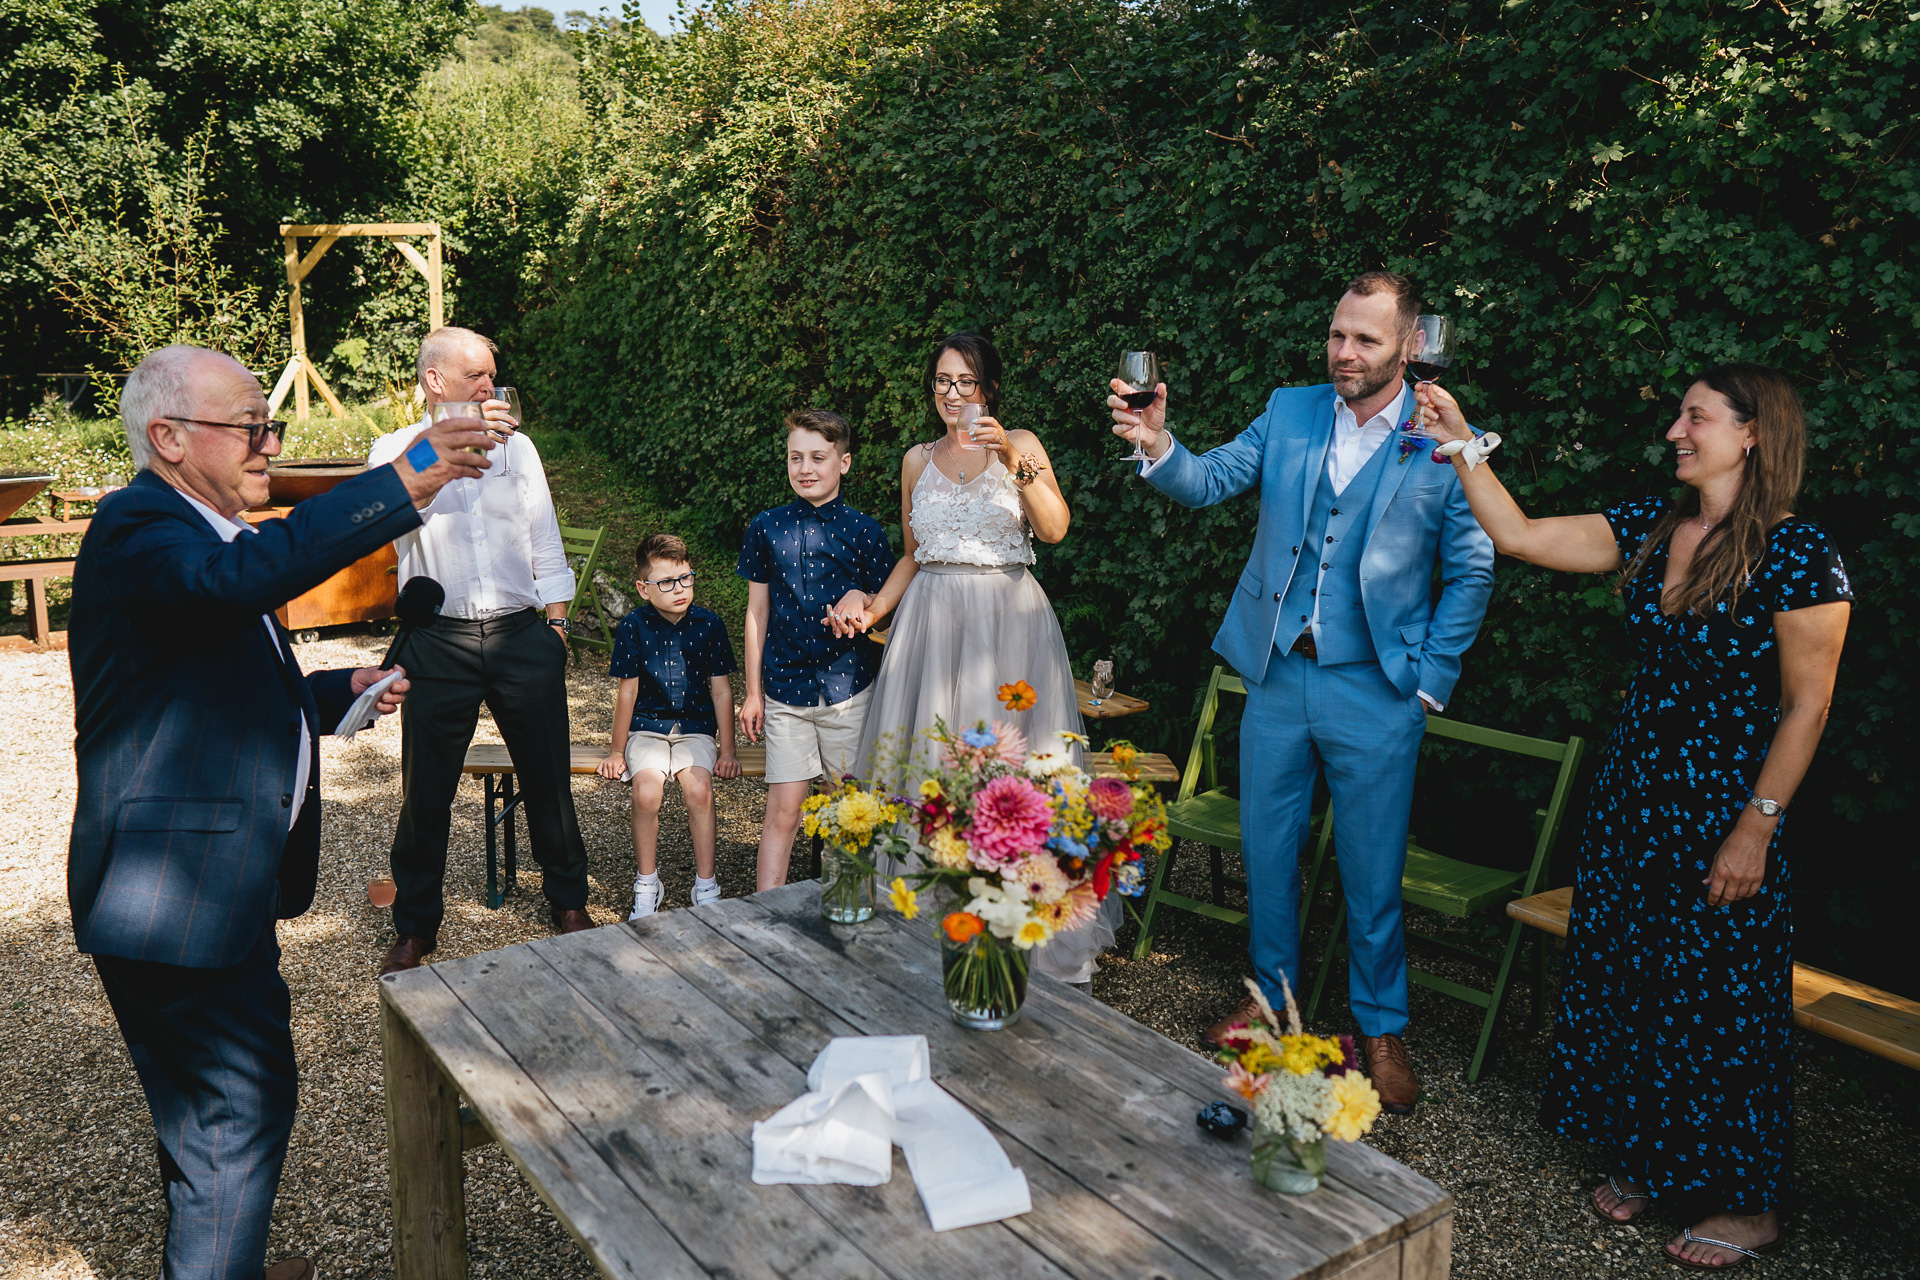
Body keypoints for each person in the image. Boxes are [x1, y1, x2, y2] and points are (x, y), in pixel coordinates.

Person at [67, 344, 490, 1280]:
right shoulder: (137, 526)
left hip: (215, 892)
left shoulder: (199, 534)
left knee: (211, 1118)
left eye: (270, 425)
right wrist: (408, 475)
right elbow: (236, 586)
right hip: (177, 907)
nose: (267, 444)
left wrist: (341, 688)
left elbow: (213, 681)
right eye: (248, 427)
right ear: (169, 439)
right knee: (236, 1117)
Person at [1415, 366, 1851, 1270]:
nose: (1676, 433)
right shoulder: (1652, 529)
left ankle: (1747, 1204)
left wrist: (1755, 828)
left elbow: (1807, 706)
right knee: (1635, 976)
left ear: (1754, 432)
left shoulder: (1800, 550)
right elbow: (1522, 534)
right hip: (1636, 796)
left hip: (1726, 806)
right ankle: (1654, 1158)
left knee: (1724, 998)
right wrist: (1459, 439)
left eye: (1697, 418)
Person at [1110, 272, 1495, 1112]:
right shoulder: (1289, 410)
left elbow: (1473, 565)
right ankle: (1269, 1005)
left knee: (1372, 869)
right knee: (1269, 850)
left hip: (1378, 690)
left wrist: (1428, 682)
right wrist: (1155, 442)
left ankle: (1380, 1031)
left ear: (1407, 345)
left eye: (1364, 339)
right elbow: (1208, 481)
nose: (1345, 353)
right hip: (1280, 673)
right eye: (1337, 335)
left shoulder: (1445, 439)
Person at [842, 332, 1102, 982]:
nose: (951, 394)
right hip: (929, 624)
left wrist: (1010, 452)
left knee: (1013, 776)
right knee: (928, 772)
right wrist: (872, 610)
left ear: (988, 387)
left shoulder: (1024, 445)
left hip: (1008, 625)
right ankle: (935, 923)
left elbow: (1054, 527)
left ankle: (1024, 929)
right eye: (941, 381)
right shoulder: (915, 459)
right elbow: (911, 553)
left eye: (965, 381)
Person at [367, 326, 595, 974]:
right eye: (476, 376)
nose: (490, 386)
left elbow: (545, 542)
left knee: (548, 778)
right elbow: (384, 525)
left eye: (494, 375)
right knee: (426, 792)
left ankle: (569, 902)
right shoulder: (393, 451)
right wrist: (437, 456)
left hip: (523, 635)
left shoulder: (518, 451)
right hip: (439, 640)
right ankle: (415, 927)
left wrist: (554, 629)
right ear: (435, 381)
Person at [735, 409, 895, 891]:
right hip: (785, 693)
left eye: (818, 458)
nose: (805, 468)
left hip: (849, 691)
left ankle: (847, 910)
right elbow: (756, 613)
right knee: (783, 812)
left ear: (843, 463)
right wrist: (753, 692)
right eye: (795, 457)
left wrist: (863, 600)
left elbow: (887, 613)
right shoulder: (765, 527)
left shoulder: (866, 531)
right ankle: (767, 919)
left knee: (847, 811)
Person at [596, 533, 742, 917]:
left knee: (698, 788)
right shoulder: (633, 627)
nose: (679, 589)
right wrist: (615, 751)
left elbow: (722, 692)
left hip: (695, 728)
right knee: (646, 792)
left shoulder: (710, 625)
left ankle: (706, 885)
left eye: (685, 578)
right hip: (647, 728)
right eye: (665, 582)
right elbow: (627, 694)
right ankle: (647, 883)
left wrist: (727, 751)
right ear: (644, 588)